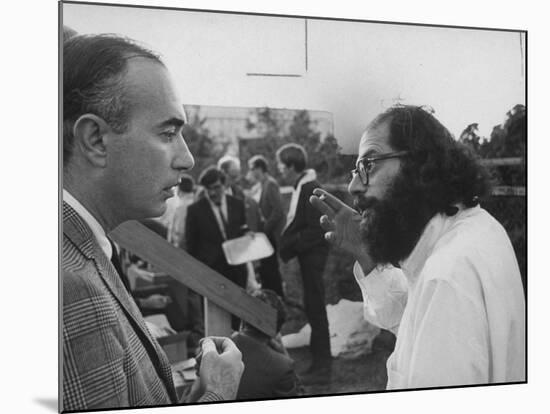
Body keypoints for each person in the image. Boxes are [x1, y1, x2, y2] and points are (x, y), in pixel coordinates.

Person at [62, 34, 243, 411]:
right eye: (167, 133)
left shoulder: (82, 249)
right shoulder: (69, 289)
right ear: (95, 139)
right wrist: (219, 395)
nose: (188, 159)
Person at [310, 105, 526, 389]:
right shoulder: (475, 229)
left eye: (370, 165)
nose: (353, 186)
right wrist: (366, 255)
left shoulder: (448, 274)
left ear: (421, 164)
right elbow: (418, 319)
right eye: (356, 169)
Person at [276, 143, 332, 379]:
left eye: (281, 166)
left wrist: (294, 245)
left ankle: (322, 365)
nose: (280, 171)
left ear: (291, 165)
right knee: (312, 307)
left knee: (316, 309)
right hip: (309, 258)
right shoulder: (304, 185)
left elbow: (316, 231)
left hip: (313, 259)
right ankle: (319, 361)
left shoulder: (309, 187)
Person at [185, 166, 248, 329]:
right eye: (208, 189)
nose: (212, 193)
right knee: (215, 323)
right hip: (211, 274)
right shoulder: (194, 211)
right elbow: (190, 247)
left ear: (224, 185)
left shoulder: (238, 204)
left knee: (239, 319)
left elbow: (242, 231)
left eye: (216, 188)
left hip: (237, 272)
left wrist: (249, 235)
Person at [231, 289, 300, 400]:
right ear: (277, 330)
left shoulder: (217, 347)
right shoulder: (282, 367)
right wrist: (284, 354)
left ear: (243, 318)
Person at [246, 155, 285, 297]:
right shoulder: (260, 186)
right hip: (263, 236)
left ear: (260, 168)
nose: (251, 172)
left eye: (252, 169)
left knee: (271, 271)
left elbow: (278, 211)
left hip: (270, 235)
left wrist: (265, 230)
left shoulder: (271, 184)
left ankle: (278, 300)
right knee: (265, 271)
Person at [218, 154, 263, 232]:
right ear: (222, 172)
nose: (236, 180)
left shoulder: (239, 192)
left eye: (237, 176)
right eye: (233, 176)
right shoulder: (211, 193)